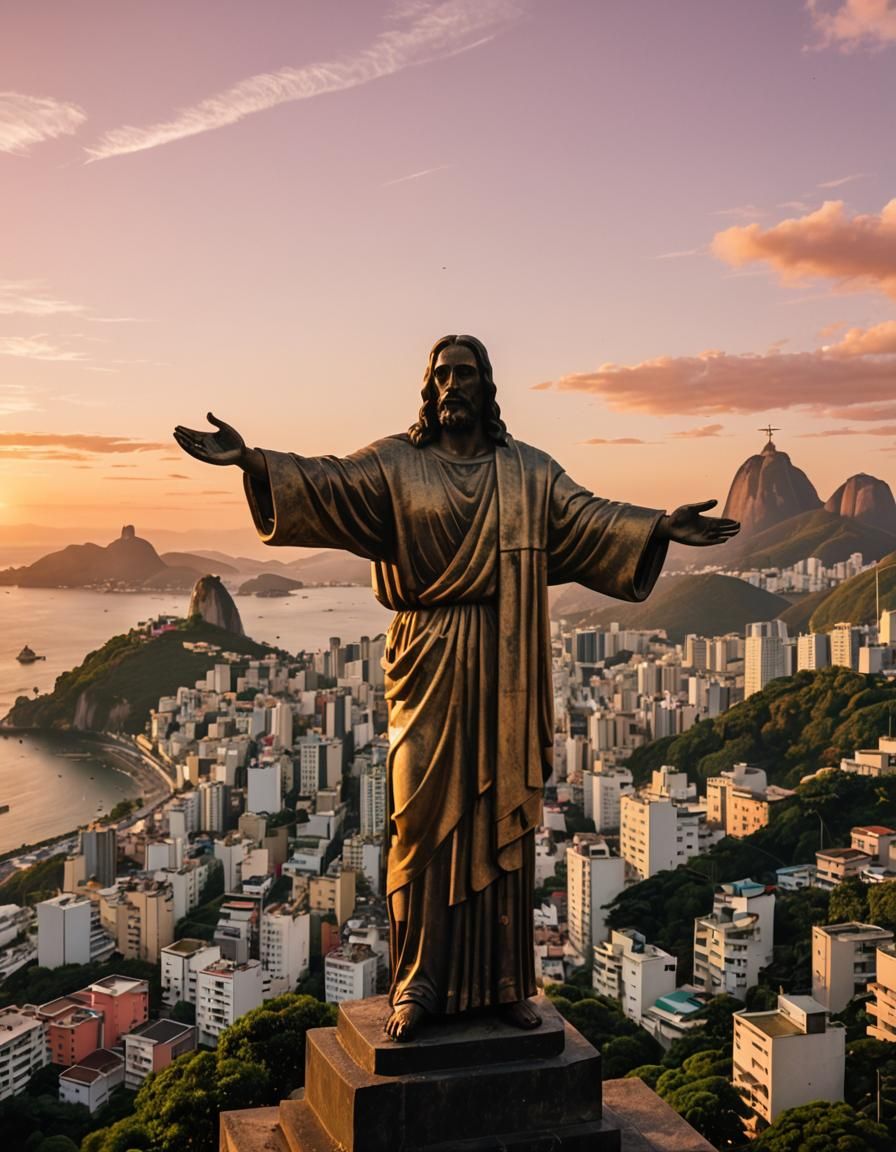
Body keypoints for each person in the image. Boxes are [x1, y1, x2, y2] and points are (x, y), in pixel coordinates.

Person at [174, 334, 739, 1041]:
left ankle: (504, 982)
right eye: (440, 374)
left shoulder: (528, 472)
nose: (451, 385)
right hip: (427, 660)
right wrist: (254, 462)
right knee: (419, 825)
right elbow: (325, 483)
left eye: (464, 374)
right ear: (427, 385)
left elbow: (587, 518)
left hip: (506, 665)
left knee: (501, 818)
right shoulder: (396, 464)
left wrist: (657, 525)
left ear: (486, 384)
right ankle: (418, 982)